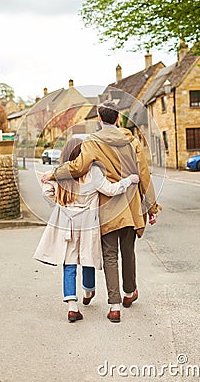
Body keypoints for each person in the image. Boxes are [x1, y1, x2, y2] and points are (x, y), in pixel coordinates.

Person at [41, 101, 159, 323]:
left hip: (107, 208)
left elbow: (77, 168)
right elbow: (144, 175)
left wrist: (55, 173)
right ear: (118, 119)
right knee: (128, 251)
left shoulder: (93, 143)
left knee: (110, 256)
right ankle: (129, 292)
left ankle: (114, 307)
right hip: (131, 206)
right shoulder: (132, 141)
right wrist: (151, 207)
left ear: (99, 119)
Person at [34, 137, 139, 323]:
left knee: (69, 261)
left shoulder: (61, 173)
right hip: (89, 223)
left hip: (68, 223)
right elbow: (110, 189)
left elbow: (46, 192)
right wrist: (128, 181)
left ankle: (72, 307)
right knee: (87, 257)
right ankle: (88, 290)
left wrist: (60, 204)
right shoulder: (94, 171)